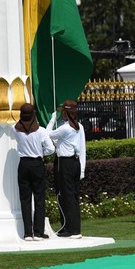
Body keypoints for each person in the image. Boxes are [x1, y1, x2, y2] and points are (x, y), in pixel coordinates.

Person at [13, 103, 54, 241]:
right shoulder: (41, 131)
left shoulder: (15, 129)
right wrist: (40, 152)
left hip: (24, 164)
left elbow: (17, 124)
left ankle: (27, 233)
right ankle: (38, 232)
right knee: (39, 198)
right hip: (37, 163)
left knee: (25, 200)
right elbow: (51, 149)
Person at [47, 100, 85, 238]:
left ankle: (73, 230)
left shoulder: (65, 128)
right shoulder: (76, 126)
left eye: (62, 111)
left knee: (68, 196)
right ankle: (68, 226)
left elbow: (47, 134)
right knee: (70, 195)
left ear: (66, 112)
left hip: (66, 163)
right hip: (74, 162)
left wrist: (52, 120)